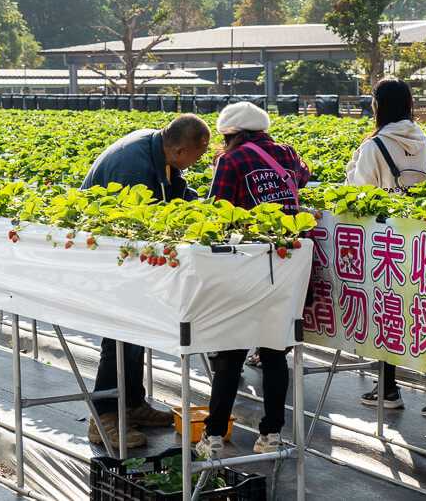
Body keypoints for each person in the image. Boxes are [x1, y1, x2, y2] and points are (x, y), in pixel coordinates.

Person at [83, 113, 211, 449]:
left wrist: (198, 209)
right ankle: (103, 419)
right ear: (180, 149)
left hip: (127, 255)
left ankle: (132, 405)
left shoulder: (157, 147)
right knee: (120, 332)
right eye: (197, 156)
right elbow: (136, 227)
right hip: (108, 254)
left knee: (136, 328)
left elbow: (174, 190)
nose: (195, 163)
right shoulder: (132, 169)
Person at [197, 102, 311, 459]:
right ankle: (273, 434)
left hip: (245, 264)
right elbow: (302, 177)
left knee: (231, 352)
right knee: (276, 351)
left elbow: (217, 213)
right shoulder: (286, 154)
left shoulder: (230, 162)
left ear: (230, 134)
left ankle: (213, 436)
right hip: (287, 261)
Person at [346, 77, 426, 418]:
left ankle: (388, 388)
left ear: (379, 106)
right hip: (425, 235)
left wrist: (352, 168)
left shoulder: (374, 146)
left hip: (388, 240)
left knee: (388, 311)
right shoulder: (423, 138)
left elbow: (359, 195)